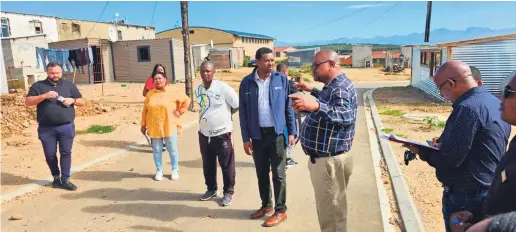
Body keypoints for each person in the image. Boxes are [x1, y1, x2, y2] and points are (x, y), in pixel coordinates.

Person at [402, 60, 511, 232]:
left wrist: (421, 151)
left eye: (440, 88)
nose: (441, 94)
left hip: (467, 197)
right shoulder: (491, 101)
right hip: (486, 188)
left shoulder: (467, 108)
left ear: (451, 84)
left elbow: (450, 159)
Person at [290, 50, 358, 232]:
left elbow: (345, 116)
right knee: (329, 213)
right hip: (327, 161)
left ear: (332, 64)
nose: (313, 69)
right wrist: (310, 90)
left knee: (333, 218)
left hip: (329, 163)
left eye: (316, 66)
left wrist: (316, 106)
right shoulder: (334, 85)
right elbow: (332, 101)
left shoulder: (340, 88)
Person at [449, 72, 516, 232]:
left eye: (508, 93)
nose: (501, 100)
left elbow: (452, 159)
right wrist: (476, 213)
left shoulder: (468, 108)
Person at [238, 47, 296, 227]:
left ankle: (281, 211)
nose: (270, 63)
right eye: (266, 60)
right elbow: (244, 113)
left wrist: (292, 131)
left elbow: (289, 107)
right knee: (262, 173)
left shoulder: (281, 79)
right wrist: (246, 138)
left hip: (276, 134)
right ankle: (266, 206)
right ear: (257, 62)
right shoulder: (247, 83)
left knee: (278, 174)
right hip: (257, 135)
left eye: (272, 60)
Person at [25, 62, 86, 191]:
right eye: (52, 73)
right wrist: (44, 96)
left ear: (61, 72)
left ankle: (66, 179)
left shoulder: (69, 85)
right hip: (46, 128)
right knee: (50, 154)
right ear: (47, 72)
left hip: (66, 126)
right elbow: (28, 102)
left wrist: (73, 100)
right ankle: (56, 177)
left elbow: (82, 101)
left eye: (57, 73)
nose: (55, 75)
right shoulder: (38, 86)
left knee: (66, 152)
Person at [195, 60, 239, 206]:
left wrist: (224, 117)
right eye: (203, 71)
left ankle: (228, 192)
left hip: (222, 134)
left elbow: (236, 105)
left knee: (226, 165)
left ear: (214, 72)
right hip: (204, 135)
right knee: (208, 164)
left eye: (208, 71)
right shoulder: (198, 89)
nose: (205, 73)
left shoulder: (223, 88)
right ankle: (211, 189)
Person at [141, 71, 190, 181]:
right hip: (154, 126)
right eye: (155, 79)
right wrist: (143, 124)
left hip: (169, 125)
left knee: (172, 148)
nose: (158, 80)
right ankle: (159, 171)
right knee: (157, 150)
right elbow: (145, 110)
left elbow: (186, 100)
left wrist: (180, 111)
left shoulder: (173, 91)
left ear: (165, 79)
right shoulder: (150, 94)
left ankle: (174, 170)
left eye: (160, 78)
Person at [276, 63, 300, 168]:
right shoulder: (288, 83)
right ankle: (287, 158)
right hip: (291, 113)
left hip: (280, 115)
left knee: (283, 136)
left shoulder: (274, 81)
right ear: (285, 71)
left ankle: (283, 158)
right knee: (294, 135)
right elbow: (296, 92)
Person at [143, 64, 168, 151]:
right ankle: (155, 143)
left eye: (162, 69)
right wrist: (153, 97)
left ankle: (162, 143)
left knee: (163, 124)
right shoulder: (151, 80)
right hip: (153, 107)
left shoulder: (165, 80)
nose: (160, 71)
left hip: (162, 107)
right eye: (158, 69)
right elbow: (145, 92)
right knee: (154, 125)